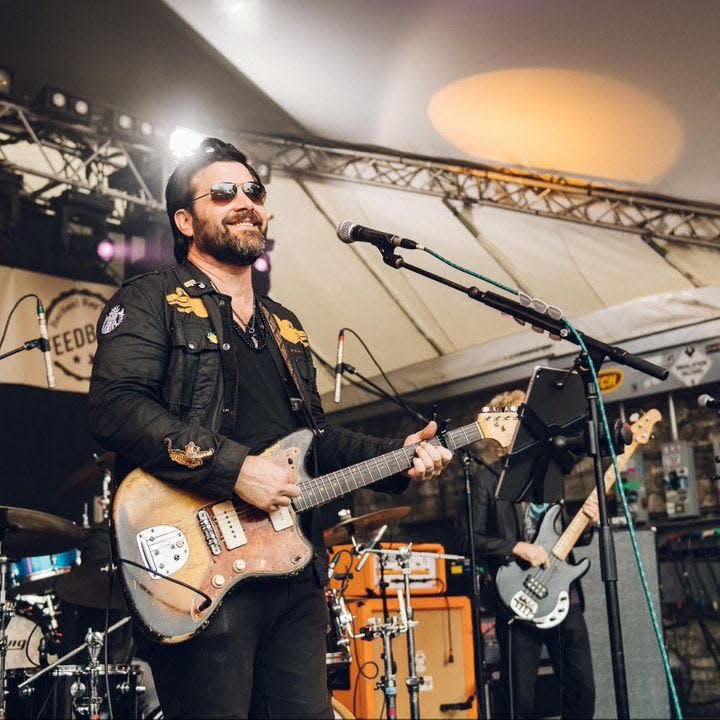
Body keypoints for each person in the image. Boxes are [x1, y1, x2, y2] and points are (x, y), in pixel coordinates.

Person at [88, 137, 452, 720]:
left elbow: (315, 439)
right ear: (185, 220)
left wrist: (399, 456)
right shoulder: (151, 299)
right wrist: (235, 470)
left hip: (291, 572)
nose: (244, 202)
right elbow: (114, 407)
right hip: (201, 571)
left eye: (253, 191)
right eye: (223, 193)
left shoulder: (285, 327)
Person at [463, 389, 597, 720]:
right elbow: (468, 539)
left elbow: (563, 533)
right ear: (503, 428)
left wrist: (587, 521)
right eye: (522, 417)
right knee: (518, 701)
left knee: (582, 692)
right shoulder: (485, 479)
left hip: (564, 595)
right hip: (517, 596)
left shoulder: (551, 471)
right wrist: (515, 547)